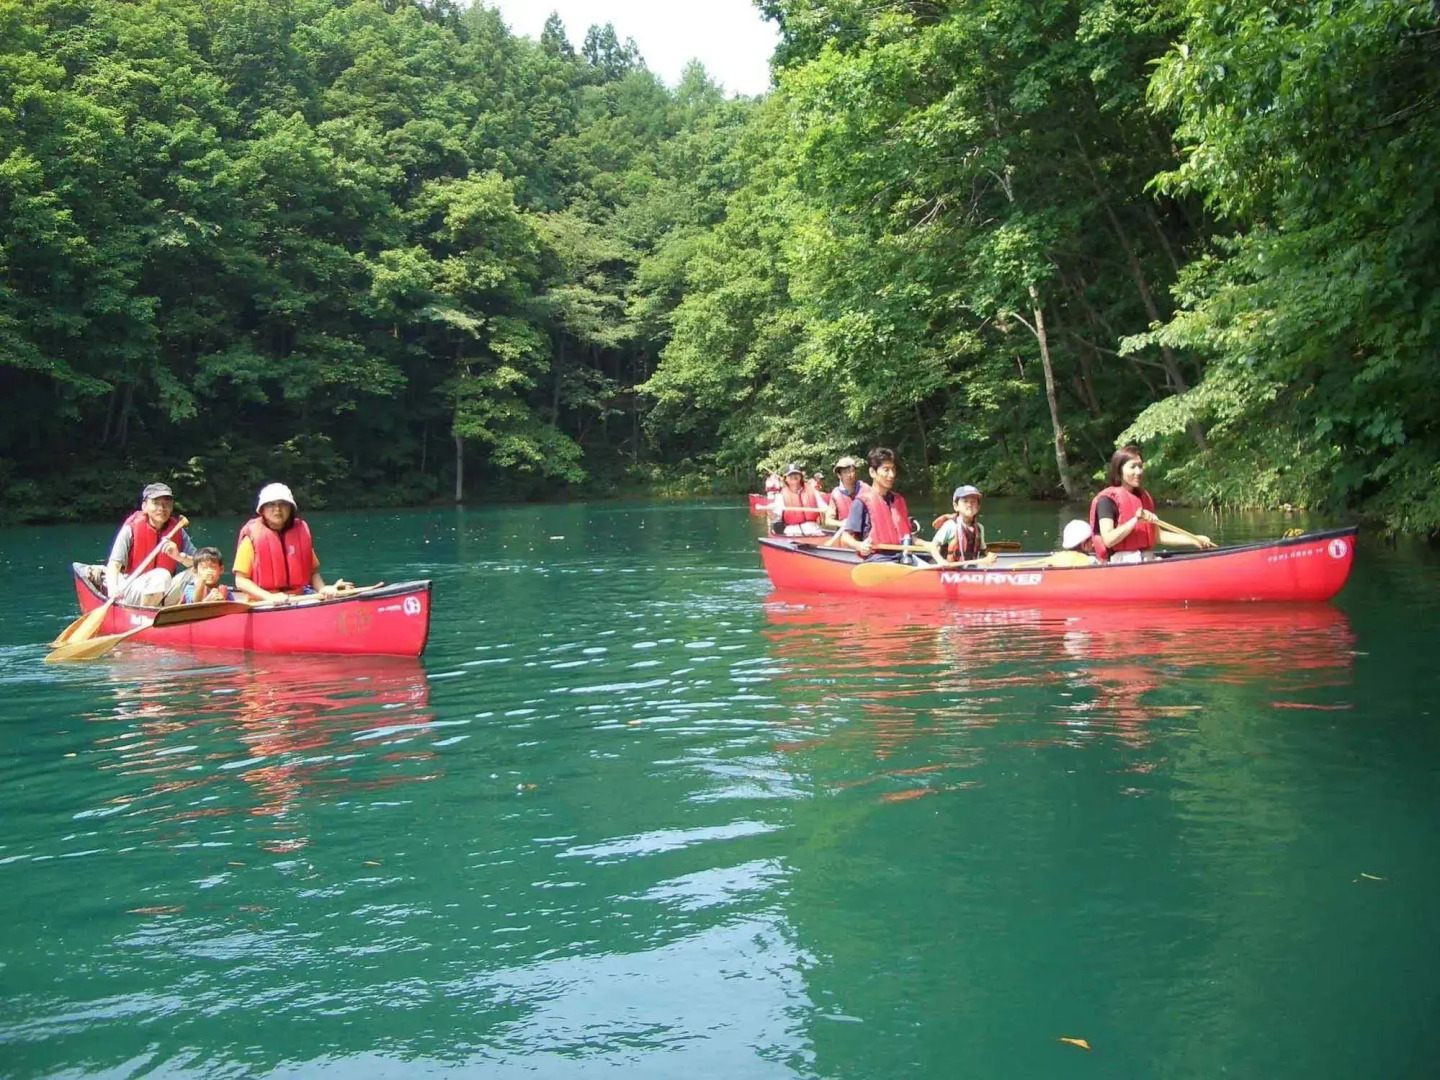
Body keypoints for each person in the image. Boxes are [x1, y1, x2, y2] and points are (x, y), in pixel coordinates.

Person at [1090, 447, 1216, 563]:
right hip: (1122, 562)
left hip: (1146, 558)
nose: (1138, 471)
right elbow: (1108, 539)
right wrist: (1135, 520)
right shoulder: (1106, 501)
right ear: (1119, 470)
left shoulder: (1143, 498)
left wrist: (1194, 540)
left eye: (1140, 466)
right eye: (1133, 467)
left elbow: (1159, 536)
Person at [232, 483, 331, 604]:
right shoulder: (252, 537)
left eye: (283, 504)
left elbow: (312, 572)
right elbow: (240, 581)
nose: (277, 509)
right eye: (271, 504)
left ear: (290, 508)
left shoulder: (300, 533)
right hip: (263, 602)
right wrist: (269, 597)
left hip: (298, 597)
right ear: (262, 509)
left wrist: (322, 589)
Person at [104, 482, 197, 606]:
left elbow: (199, 563)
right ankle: (145, 615)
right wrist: (113, 589)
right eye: (156, 503)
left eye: (166, 504)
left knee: (200, 572)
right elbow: (114, 565)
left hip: (164, 591)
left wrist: (179, 556)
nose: (162, 508)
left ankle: (189, 612)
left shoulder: (178, 530)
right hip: (132, 590)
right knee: (161, 574)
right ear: (144, 506)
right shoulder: (131, 528)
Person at [837, 447, 914, 560]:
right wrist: (859, 546)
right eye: (886, 470)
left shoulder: (897, 500)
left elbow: (906, 536)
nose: (891, 475)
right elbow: (845, 537)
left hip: (904, 556)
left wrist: (929, 545)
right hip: (879, 558)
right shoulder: (861, 503)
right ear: (873, 472)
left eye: (893, 469)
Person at [932, 485, 996, 565]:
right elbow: (933, 546)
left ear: (978, 507)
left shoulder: (979, 528)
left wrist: (989, 555)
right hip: (951, 571)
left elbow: (983, 550)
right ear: (956, 506)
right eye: (965, 501)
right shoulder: (950, 526)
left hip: (971, 570)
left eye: (973, 501)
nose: (969, 505)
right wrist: (940, 561)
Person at [1010, 520, 1100, 569]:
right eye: (1090, 540)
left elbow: (1019, 566)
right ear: (1083, 543)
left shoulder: (1057, 557)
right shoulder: (1090, 561)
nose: (1092, 543)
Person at [769, 463, 825, 536]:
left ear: (801, 476)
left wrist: (827, 510)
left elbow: (823, 506)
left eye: (796, 474)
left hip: (812, 528)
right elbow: (776, 517)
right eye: (790, 475)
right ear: (786, 478)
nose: (793, 476)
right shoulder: (781, 495)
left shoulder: (812, 490)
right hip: (792, 530)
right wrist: (771, 511)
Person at [821, 455, 868, 531]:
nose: (849, 475)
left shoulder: (864, 488)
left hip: (864, 532)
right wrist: (842, 523)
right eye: (845, 472)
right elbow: (828, 520)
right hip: (845, 534)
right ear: (839, 475)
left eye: (851, 471)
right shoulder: (836, 493)